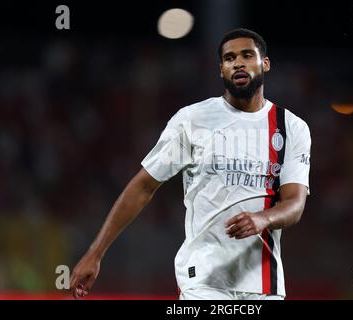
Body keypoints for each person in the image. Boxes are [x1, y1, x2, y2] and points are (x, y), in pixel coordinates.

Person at [70, 28, 311, 300]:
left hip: (265, 285)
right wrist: (95, 252)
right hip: (203, 282)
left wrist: (261, 218)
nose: (238, 63)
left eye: (247, 55)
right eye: (229, 58)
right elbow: (143, 186)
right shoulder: (193, 120)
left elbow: (295, 204)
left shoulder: (291, 128)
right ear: (221, 70)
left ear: (264, 63)